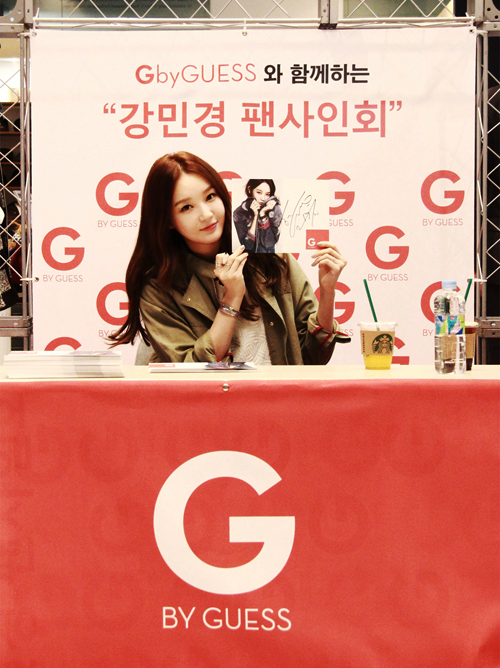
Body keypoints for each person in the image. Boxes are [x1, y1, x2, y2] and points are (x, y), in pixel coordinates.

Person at [108, 151, 350, 365]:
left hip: (279, 399)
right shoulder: (159, 287)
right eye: (186, 207)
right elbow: (189, 373)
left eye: (210, 197)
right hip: (210, 403)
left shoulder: (270, 255)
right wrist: (232, 299)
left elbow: (312, 358)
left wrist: (327, 291)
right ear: (167, 220)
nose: (206, 214)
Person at [233, 179, 282, 253]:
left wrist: (262, 215)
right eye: (259, 192)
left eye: (267, 194)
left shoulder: (274, 209)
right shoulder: (240, 212)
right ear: (250, 190)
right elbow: (247, 246)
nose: (263, 198)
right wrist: (255, 216)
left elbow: (269, 243)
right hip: (250, 258)